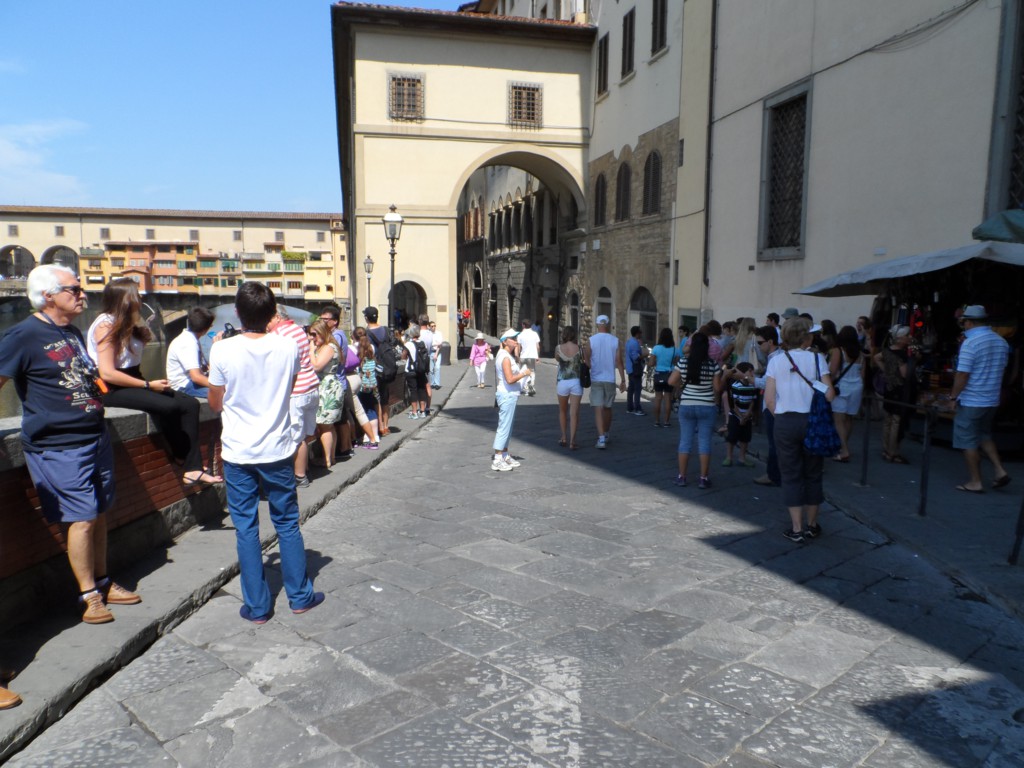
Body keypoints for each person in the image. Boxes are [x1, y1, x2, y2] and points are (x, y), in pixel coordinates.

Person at [0, 265, 139, 625]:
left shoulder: (73, 332)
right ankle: (88, 595)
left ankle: (104, 582)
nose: (82, 295)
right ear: (48, 295)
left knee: (100, 513)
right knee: (81, 518)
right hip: (58, 445)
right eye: (74, 289)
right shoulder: (21, 336)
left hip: (94, 436)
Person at [208, 282, 324, 623]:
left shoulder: (222, 351)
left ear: (238, 313)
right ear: (272, 312)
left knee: (246, 528)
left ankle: (257, 606)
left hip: (238, 451)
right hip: (277, 448)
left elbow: (215, 403)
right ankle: (300, 596)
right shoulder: (288, 348)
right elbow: (284, 389)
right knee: (287, 523)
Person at [87, 278, 221, 488]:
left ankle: (190, 465)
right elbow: (107, 373)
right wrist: (148, 386)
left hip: (132, 380)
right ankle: (185, 460)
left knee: (190, 404)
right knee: (168, 405)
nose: (140, 300)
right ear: (125, 300)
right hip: (111, 388)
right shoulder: (106, 325)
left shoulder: (127, 323)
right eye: (136, 296)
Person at [764, 316, 835, 543]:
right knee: (813, 473)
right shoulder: (818, 359)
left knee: (791, 475)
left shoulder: (776, 360)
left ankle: (796, 528)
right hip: (812, 422)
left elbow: (769, 399)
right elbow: (830, 394)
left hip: (785, 422)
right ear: (805, 336)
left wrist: (783, 416)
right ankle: (812, 525)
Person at [950, 305, 1011, 492]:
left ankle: (975, 481)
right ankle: (1000, 470)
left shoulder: (971, 342)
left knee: (967, 439)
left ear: (968, 322)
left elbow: (963, 375)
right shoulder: (1001, 341)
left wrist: (953, 397)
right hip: (991, 398)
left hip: (972, 399)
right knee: (984, 435)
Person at [269, 309, 320, 488]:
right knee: (304, 435)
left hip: (297, 390)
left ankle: (299, 476)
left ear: (276, 317)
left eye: (267, 319)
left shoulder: (279, 335)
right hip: (312, 386)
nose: (266, 324)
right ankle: (304, 469)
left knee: (296, 437)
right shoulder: (299, 330)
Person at [668, 331, 722, 489]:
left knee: (685, 441)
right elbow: (718, 388)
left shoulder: (684, 362)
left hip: (687, 405)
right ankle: (703, 478)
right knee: (704, 442)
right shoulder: (712, 364)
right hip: (707, 406)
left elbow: (671, 381)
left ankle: (681, 476)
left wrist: (682, 386)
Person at [875, 325, 918, 465]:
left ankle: (886, 448)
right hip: (900, 389)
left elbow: (877, 357)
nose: (909, 338)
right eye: (907, 336)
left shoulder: (888, 351)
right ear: (900, 338)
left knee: (888, 419)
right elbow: (905, 374)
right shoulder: (902, 355)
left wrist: (887, 372)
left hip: (890, 387)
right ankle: (893, 451)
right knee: (896, 421)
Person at [584, 314, 626, 449]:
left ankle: (601, 438)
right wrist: (623, 380)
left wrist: (592, 368)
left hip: (597, 378)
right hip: (610, 379)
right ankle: (606, 433)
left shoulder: (591, 340)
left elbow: (586, 359)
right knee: (608, 408)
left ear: (597, 324)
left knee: (598, 408)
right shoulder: (615, 341)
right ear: (607, 324)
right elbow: (619, 362)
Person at [492, 328, 531, 471]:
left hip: (510, 395)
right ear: (505, 341)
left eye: (516, 338)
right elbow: (509, 379)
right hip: (507, 395)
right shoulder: (505, 358)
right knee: (504, 427)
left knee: (508, 427)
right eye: (513, 338)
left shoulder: (505, 355)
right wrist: (524, 373)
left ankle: (505, 454)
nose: (516, 341)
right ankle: (497, 458)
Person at [308, 320, 343, 467]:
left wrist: (310, 348)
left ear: (322, 332)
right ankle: (331, 457)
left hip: (327, 388)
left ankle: (327, 459)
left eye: (314, 334)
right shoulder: (328, 346)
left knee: (324, 425)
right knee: (328, 425)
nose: (312, 338)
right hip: (327, 386)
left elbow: (316, 366)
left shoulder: (329, 347)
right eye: (310, 335)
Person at [829, 325, 864, 463]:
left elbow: (832, 371)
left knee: (838, 419)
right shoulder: (860, 353)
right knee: (849, 419)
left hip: (842, 387)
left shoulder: (839, 351)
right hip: (857, 386)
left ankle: (844, 450)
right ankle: (843, 445)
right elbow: (863, 374)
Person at [753, 326, 783, 487]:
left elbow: (766, 382)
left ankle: (773, 475)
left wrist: (748, 378)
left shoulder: (776, 358)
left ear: (770, 342)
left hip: (773, 406)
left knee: (773, 443)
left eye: (760, 342)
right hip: (776, 404)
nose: (758, 346)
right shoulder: (777, 357)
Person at [165, 306, 215, 398]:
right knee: (222, 393)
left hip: (191, 382)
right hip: (183, 386)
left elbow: (206, 368)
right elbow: (196, 377)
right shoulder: (188, 343)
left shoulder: (192, 338)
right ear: (205, 329)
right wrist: (218, 386)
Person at [362, 306, 392, 436]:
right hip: (387, 367)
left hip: (374, 368)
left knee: (376, 399)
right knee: (385, 398)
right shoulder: (386, 330)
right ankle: (386, 426)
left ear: (366, 318)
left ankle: (379, 427)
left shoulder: (366, 333)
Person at [723, 362, 757, 467]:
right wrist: (741, 416)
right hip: (735, 415)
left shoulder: (752, 385)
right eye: (750, 371)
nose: (752, 373)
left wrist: (748, 413)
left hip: (747, 416)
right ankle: (729, 457)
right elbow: (733, 403)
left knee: (745, 438)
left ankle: (742, 457)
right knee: (732, 436)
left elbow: (753, 400)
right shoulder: (736, 386)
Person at [554, 326, 584, 449]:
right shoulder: (580, 349)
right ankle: (572, 441)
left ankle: (564, 437)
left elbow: (557, 359)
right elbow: (584, 362)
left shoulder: (558, 348)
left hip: (563, 382)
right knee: (574, 413)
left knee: (562, 411)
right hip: (576, 381)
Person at [356, 335, 381, 449]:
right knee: (371, 409)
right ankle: (375, 435)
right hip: (371, 386)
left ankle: (367, 436)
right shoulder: (372, 358)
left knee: (364, 411)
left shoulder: (361, 359)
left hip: (363, 388)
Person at [650, 327, 676, 427]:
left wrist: (657, 362)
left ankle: (657, 421)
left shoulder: (656, 348)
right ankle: (666, 421)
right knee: (668, 398)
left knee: (658, 398)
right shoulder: (674, 349)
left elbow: (651, 363)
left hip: (659, 374)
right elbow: (676, 362)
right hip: (670, 375)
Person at [404, 324, 429, 419]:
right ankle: (422, 411)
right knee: (422, 389)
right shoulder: (423, 343)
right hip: (421, 370)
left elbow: (403, 356)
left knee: (413, 390)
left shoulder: (408, 344)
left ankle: (414, 412)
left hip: (411, 370)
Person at [624, 325, 646, 415]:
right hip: (635, 369)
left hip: (630, 369)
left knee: (631, 389)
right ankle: (637, 408)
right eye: (640, 332)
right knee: (637, 389)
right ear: (637, 333)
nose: (642, 334)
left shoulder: (629, 342)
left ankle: (630, 407)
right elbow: (635, 358)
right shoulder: (634, 343)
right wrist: (645, 355)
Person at [517, 319, 541, 396]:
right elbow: (538, 346)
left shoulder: (520, 335)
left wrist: (517, 356)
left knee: (522, 371)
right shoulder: (535, 334)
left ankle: (523, 387)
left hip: (523, 356)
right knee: (532, 371)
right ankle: (530, 384)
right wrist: (537, 356)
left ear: (523, 325)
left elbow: (519, 347)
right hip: (532, 355)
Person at [428, 319, 444, 390]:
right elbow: (429, 344)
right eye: (432, 326)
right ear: (429, 327)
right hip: (430, 352)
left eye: (434, 326)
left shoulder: (439, 333)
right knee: (431, 369)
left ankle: (437, 383)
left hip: (438, 352)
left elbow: (440, 344)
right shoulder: (428, 334)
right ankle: (432, 383)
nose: (434, 327)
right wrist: (435, 343)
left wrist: (436, 354)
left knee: (437, 368)